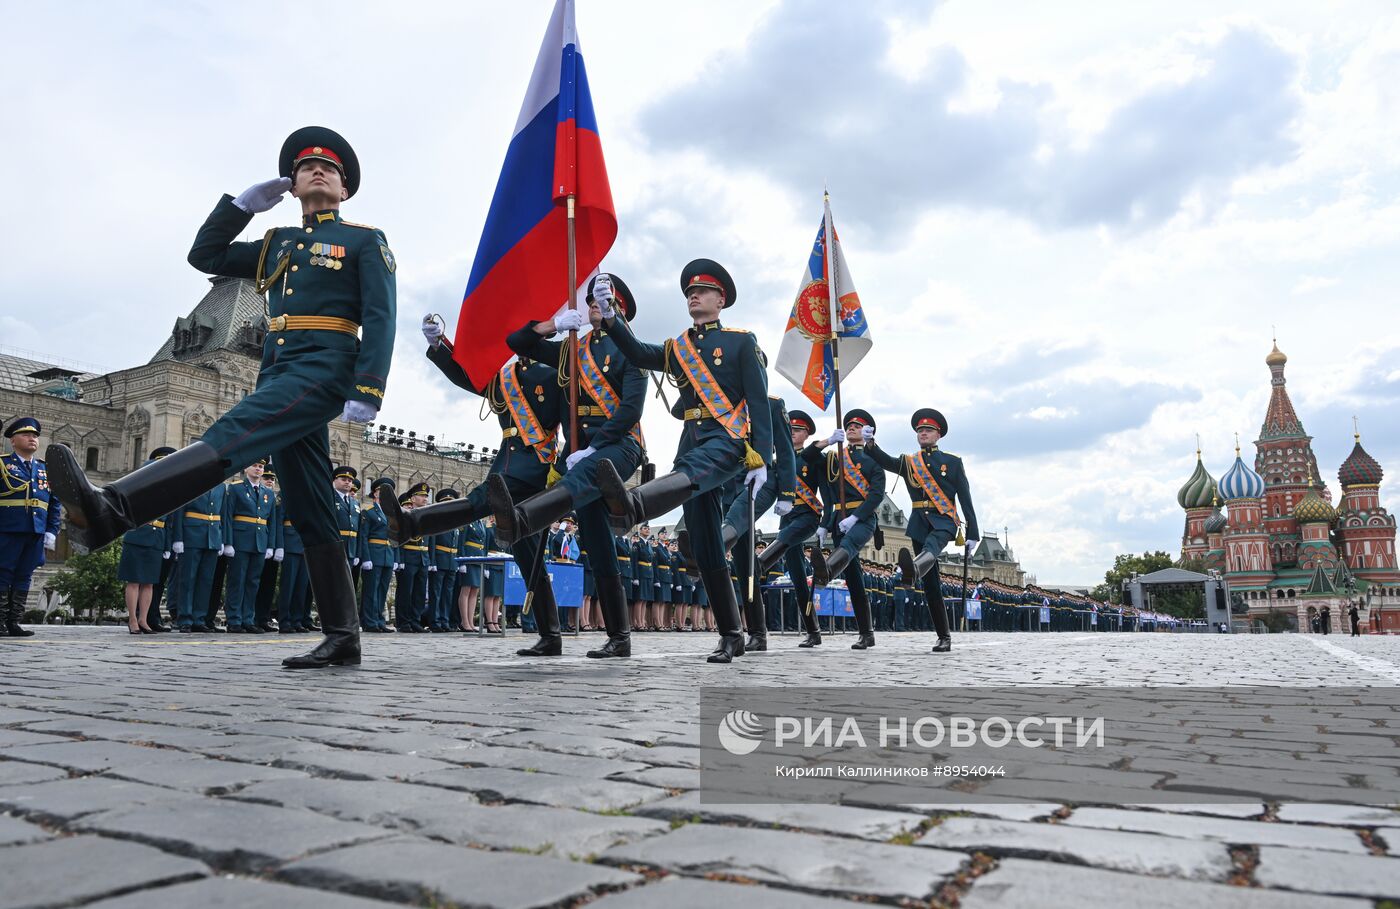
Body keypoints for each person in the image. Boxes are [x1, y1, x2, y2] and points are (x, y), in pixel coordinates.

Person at [45, 126, 396, 669]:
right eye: (306, 168)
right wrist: (239, 207)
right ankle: (343, 635)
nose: (318, 171)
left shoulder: (364, 240)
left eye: (330, 169)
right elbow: (203, 254)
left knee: (233, 433)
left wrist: (368, 387)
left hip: (325, 367)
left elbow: (378, 317)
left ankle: (112, 508)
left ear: (345, 190)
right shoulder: (278, 243)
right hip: (279, 368)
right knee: (310, 506)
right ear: (293, 185)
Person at [594, 259, 773, 663]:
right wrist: (611, 316)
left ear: (720, 299)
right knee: (707, 542)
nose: (693, 296)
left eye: (702, 291)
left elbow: (759, 401)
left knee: (687, 475)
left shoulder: (742, 342)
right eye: (690, 292)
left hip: (726, 439)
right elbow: (639, 352)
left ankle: (633, 505)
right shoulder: (679, 347)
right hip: (691, 438)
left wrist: (761, 456)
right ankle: (732, 635)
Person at [487, 273, 647, 657]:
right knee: (596, 542)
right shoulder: (572, 348)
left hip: (618, 446)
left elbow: (630, 410)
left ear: (618, 307)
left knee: (568, 504)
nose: (593, 303)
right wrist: (553, 326)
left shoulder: (630, 348)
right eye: (590, 299)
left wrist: (598, 447)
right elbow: (517, 342)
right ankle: (576, 636)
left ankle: (523, 518)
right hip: (578, 452)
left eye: (602, 299)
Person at [387, 314, 566, 656]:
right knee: (529, 559)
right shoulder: (506, 377)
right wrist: (440, 346)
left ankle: (411, 523)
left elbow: (569, 425)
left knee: (478, 502)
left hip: (535, 470)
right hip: (506, 464)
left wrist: (558, 470)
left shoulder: (556, 375)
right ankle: (550, 635)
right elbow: (467, 377)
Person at [865, 408, 977, 654]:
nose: (923, 433)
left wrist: (972, 533)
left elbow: (965, 497)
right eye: (920, 431)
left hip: (944, 521)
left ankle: (913, 568)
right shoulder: (909, 462)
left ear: (938, 435)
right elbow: (886, 462)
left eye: (928, 430)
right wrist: (870, 443)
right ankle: (943, 636)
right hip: (918, 522)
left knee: (932, 547)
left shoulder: (952, 462)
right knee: (932, 585)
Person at [808, 410, 886, 650]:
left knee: (849, 545)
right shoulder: (834, 457)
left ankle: (827, 570)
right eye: (849, 425)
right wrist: (827, 441)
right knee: (854, 580)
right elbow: (810, 457)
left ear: (866, 431)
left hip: (862, 520)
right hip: (839, 519)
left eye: (858, 425)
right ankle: (867, 633)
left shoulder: (873, 459)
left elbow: (876, 494)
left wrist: (856, 516)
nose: (852, 427)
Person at [1, 418, 61, 636]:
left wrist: (52, 531)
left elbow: (54, 503)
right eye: (27, 435)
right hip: (8, 528)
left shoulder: (45, 469)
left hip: (35, 530)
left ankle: (14, 622)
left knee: (25, 575)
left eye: (35, 436)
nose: (33, 438)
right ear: (13, 440)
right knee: (3, 573)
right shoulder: (3, 464)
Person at [116, 447, 178, 634]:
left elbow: (169, 522)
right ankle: (133, 619)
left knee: (150, 582)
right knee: (134, 581)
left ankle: (144, 620)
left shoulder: (169, 491)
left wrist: (167, 545)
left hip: (157, 538)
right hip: (138, 536)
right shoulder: (137, 487)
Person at [222, 459, 275, 634]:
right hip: (240, 540)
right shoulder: (236, 488)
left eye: (261, 467)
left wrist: (271, 545)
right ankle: (234, 620)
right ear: (246, 468)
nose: (258, 469)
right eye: (255, 466)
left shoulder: (268, 492)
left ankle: (248, 619)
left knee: (253, 582)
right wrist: (228, 542)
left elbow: (271, 522)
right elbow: (228, 516)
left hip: (260, 541)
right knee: (237, 580)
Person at [171, 479, 227, 632]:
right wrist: (178, 538)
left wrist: (222, 539)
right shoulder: (189, 483)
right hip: (191, 534)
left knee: (206, 581)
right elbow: (179, 511)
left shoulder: (221, 486)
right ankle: (185, 618)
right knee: (187, 580)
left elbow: (223, 513)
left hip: (213, 536)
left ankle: (199, 618)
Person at [357, 481, 393, 633]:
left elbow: (394, 538)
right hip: (374, 554)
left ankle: (379, 620)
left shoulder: (390, 514)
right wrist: (366, 558)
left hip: (387, 555)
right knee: (371, 590)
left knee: (382, 590)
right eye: (381, 491)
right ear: (375, 493)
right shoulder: (369, 512)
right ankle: (369, 621)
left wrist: (395, 559)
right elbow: (363, 537)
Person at [253, 466, 283, 632]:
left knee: (268, 584)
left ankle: (263, 618)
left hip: (270, 545)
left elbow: (276, 525)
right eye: (266, 478)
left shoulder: (274, 498)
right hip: (256, 544)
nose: (270, 481)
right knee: (253, 581)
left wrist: (277, 546)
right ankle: (252, 617)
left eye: (272, 479)